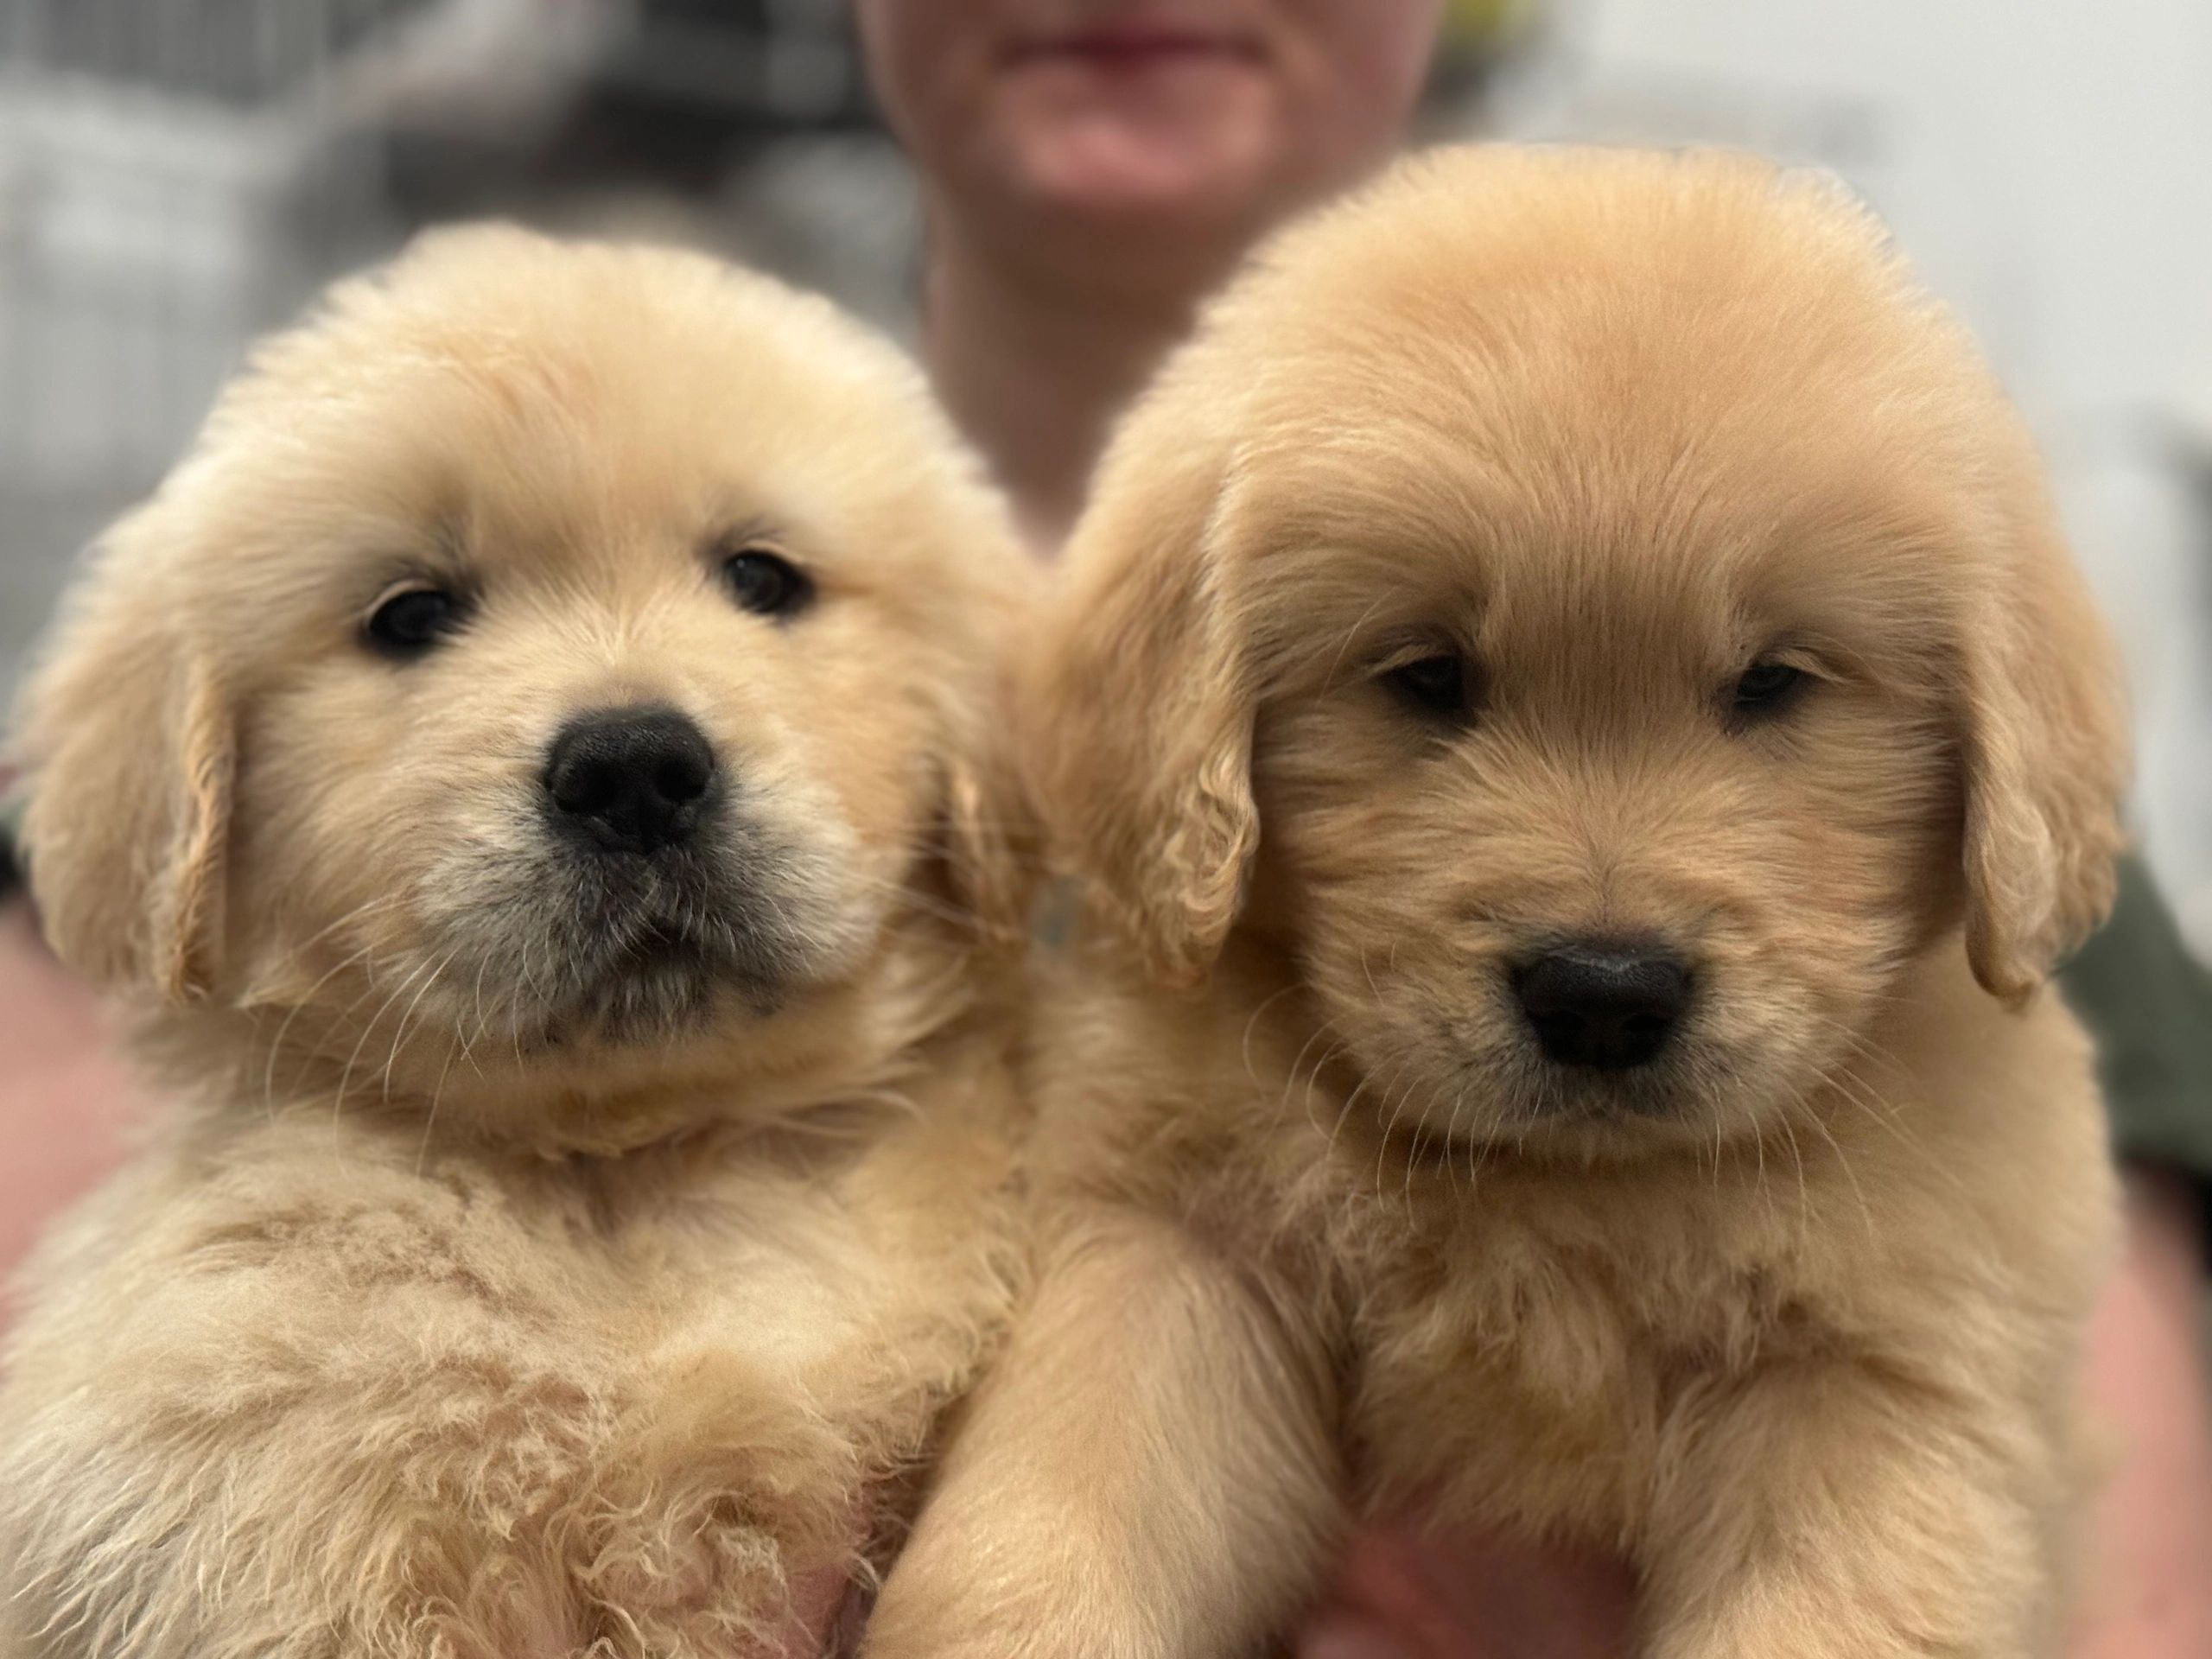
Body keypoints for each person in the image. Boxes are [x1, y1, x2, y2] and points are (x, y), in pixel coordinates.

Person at [0, 3, 2205, 1654]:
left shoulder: (1897, 596)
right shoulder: (500, 419)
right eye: (1417, 690)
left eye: (769, 583)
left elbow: (2084, 1527)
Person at [851, 3, 2212, 1656]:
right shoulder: (772, 616)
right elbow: (1134, 1409)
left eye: (1774, 690)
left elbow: (2135, 1598)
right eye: (1424, 684)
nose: (1607, 918)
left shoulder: (1969, 1012)